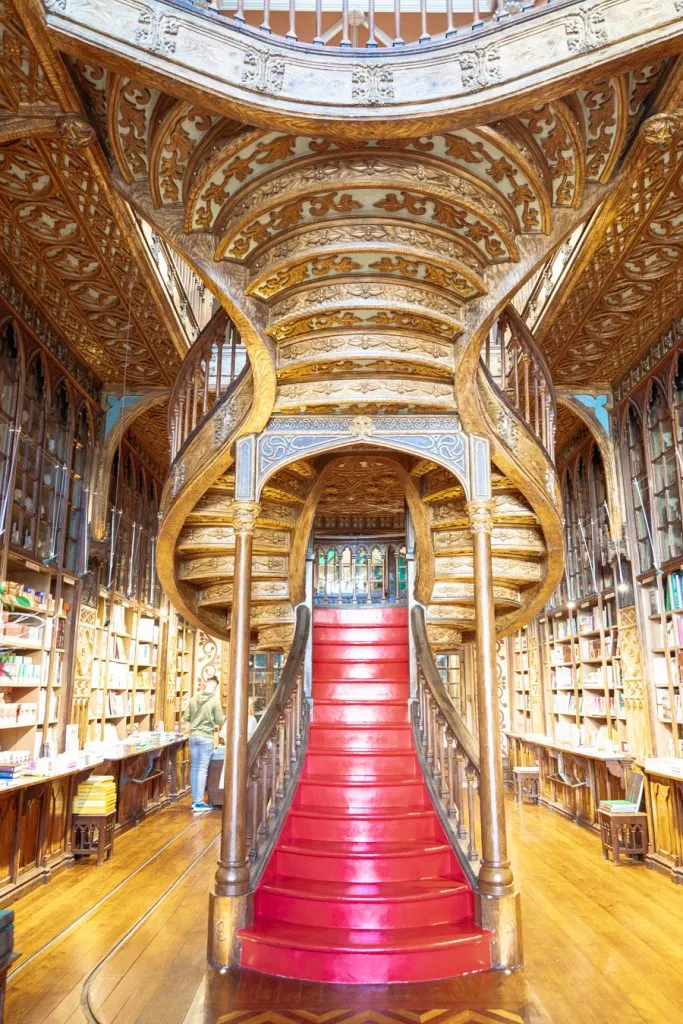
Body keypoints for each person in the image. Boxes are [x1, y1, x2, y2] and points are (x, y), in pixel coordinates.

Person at [184, 676, 224, 813]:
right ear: (215, 686)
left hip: (193, 736)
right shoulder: (214, 700)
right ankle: (199, 802)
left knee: (194, 768)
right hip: (206, 737)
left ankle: (195, 801)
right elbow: (219, 720)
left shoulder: (194, 698)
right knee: (202, 769)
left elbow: (186, 717)